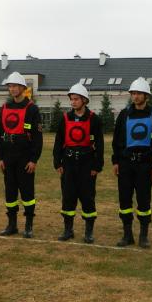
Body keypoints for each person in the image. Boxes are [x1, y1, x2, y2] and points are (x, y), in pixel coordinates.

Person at [111, 77, 152, 248]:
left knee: (144, 201)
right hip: (126, 164)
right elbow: (117, 140)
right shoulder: (124, 114)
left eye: (139, 93)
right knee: (124, 201)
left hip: (144, 164)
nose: (135, 96)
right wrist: (116, 161)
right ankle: (127, 235)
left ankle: (143, 236)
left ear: (146, 95)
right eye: (133, 93)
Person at [53, 83, 104, 243]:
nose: (73, 102)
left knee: (87, 197)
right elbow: (58, 142)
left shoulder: (94, 119)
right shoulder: (65, 118)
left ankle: (89, 232)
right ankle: (68, 230)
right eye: (72, 99)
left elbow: (100, 144)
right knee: (68, 196)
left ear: (84, 100)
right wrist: (57, 163)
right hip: (68, 163)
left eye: (76, 99)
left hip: (86, 165)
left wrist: (97, 166)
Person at [0, 72, 42, 238]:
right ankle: (12, 225)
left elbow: (37, 138)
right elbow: (0, 133)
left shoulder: (32, 109)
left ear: (23, 88)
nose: (12, 89)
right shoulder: (4, 108)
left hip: (25, 156)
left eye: (15, 86)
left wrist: (33, 160)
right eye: (10, 86)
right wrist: (0, 157)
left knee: (27, 193)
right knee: (10, 192)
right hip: (8, 156)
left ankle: (28, 225)